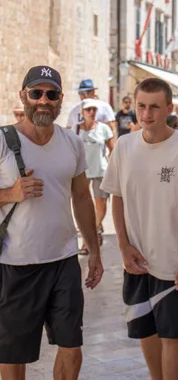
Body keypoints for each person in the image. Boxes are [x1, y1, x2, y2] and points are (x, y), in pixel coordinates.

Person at [100, 78, 178, 380]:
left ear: (169, 109)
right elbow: (117, 197)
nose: (146, 114)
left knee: (172, 334)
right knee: (144, 330)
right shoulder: (124, 146)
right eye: (141, 106)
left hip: (172, 260)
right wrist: (122, 245)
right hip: (137, 259)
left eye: (154, 107)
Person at [0, 65, 103, 380]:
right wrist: (11, 193)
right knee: (13, 355)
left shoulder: (72, 142)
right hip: (16, 264)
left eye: (52, 94)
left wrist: (95, 251)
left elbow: (82, 198)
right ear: (24, 96)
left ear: (60, 100)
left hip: (63, 261)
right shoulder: (4, 140)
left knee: (72, 348)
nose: (44, 100)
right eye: (36, 93)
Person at [76, 99, 115, 255]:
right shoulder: (75, 130)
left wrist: (112, 169)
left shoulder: (104, 129)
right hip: (82, 173)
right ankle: (90, 237)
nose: (92, 112)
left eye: (94, 109)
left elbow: (113, 149)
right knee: (84, 207)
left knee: (101, 208)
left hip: (101, 172)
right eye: (88, 110)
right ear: (82, 112)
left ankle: (88, 239)